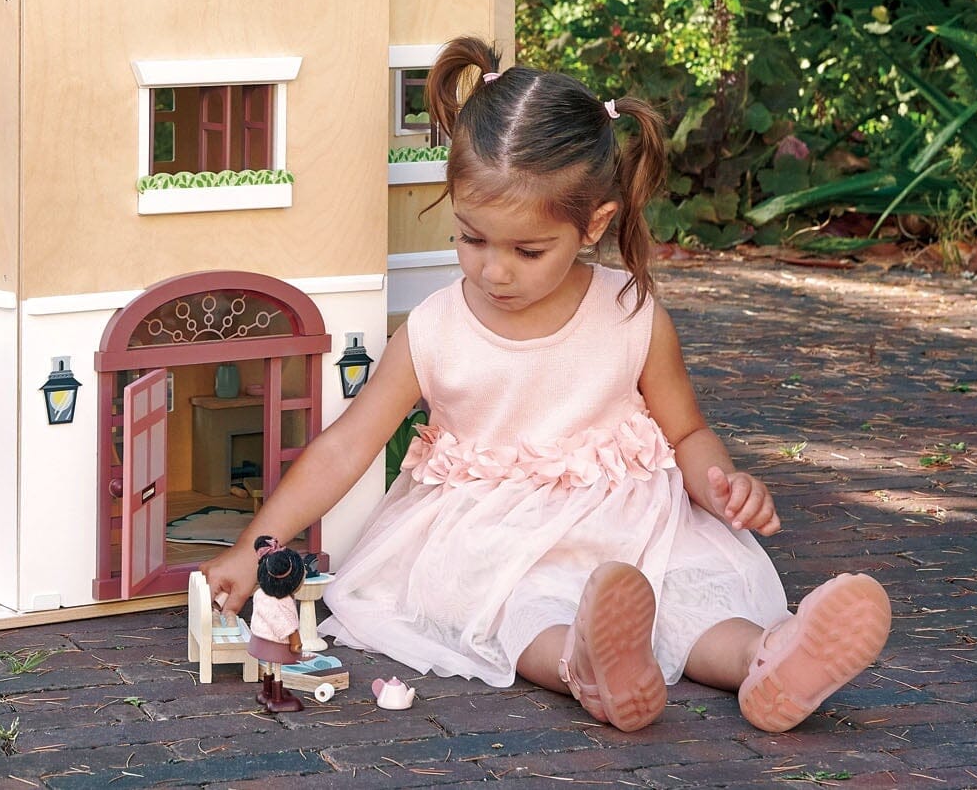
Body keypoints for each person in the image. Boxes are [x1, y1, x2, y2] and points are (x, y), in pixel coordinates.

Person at [203, 37, 891, 733]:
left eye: (527, 250)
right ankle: (588, 665)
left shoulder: (631, 314)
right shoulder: (435, 331)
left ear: (593, 224)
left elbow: (686, 431)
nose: (494, 271)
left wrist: (722, 481)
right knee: (522, 607)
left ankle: (772, 658)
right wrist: (255, 546)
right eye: (472, 239)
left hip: (632, 523)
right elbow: (347, 446)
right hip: (490, 540)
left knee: (691, 594)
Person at [246, 535, 307, 713]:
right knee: (277, 667)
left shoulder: (259, 594)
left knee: (269, 666)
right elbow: (282, 623)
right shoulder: (281, 601)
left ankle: (267, 691)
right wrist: (295, 639)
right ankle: (277, 697)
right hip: (276, 642)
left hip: (259, 638)